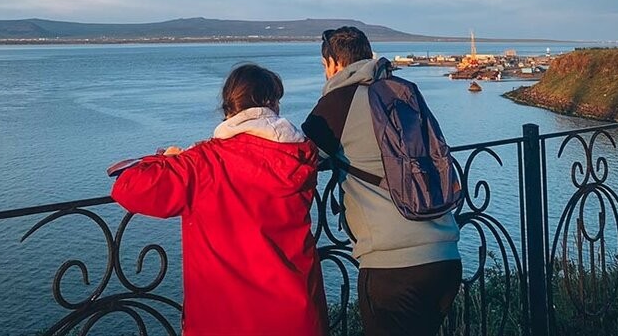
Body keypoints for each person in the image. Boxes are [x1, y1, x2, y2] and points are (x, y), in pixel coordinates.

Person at [111, 64, 328, 336]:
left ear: (229, 110)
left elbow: (128, 186)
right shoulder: (299, 156)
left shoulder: (202, 164)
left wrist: (165, 158)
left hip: (226, 319)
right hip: (296, 315)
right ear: (272, 105)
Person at [302, 26, 461, 336]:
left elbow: (296, 159)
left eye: (324, 66)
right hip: (445, 256)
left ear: (333, 63)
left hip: (393, 266)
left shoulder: (337, 102)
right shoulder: (403, 90)